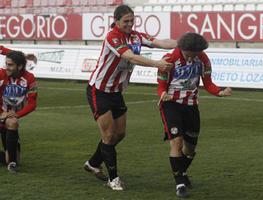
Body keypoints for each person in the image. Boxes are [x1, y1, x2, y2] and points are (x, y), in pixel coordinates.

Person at [84, 4, 177, 190]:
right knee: (109, 135)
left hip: (116, 92)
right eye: (125, 21)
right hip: (99, 90)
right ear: (116, 21)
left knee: (119, 134)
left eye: (132, 21)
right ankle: (113, 179)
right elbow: (131, 57)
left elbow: (159, 42)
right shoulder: (113, 36)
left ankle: (93, 163)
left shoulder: (136, 36)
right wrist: (157, 64)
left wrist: (182, 44)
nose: (129, 24)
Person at [157, 32, 232, 198]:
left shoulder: (203, 59)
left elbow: (209, 83)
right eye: (193, 53)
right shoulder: (169, 59)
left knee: (190, 150)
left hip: (191, 106)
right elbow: (161, 86)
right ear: (184, 49)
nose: (195, 56)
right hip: (171, 105)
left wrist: (220, 92)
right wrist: (163, 95)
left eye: (198, 53)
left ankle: (181, 172)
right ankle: (180, 184)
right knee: (176, 142)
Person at [0, 50, 37, 173]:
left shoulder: (29, 78)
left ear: (20, 66)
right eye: (6, 64)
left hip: (9, 118)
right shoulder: (1, 74)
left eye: (10, 65)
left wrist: (16, 114)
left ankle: (11, 163)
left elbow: (32, 104)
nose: (7, 67)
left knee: (13, 122)